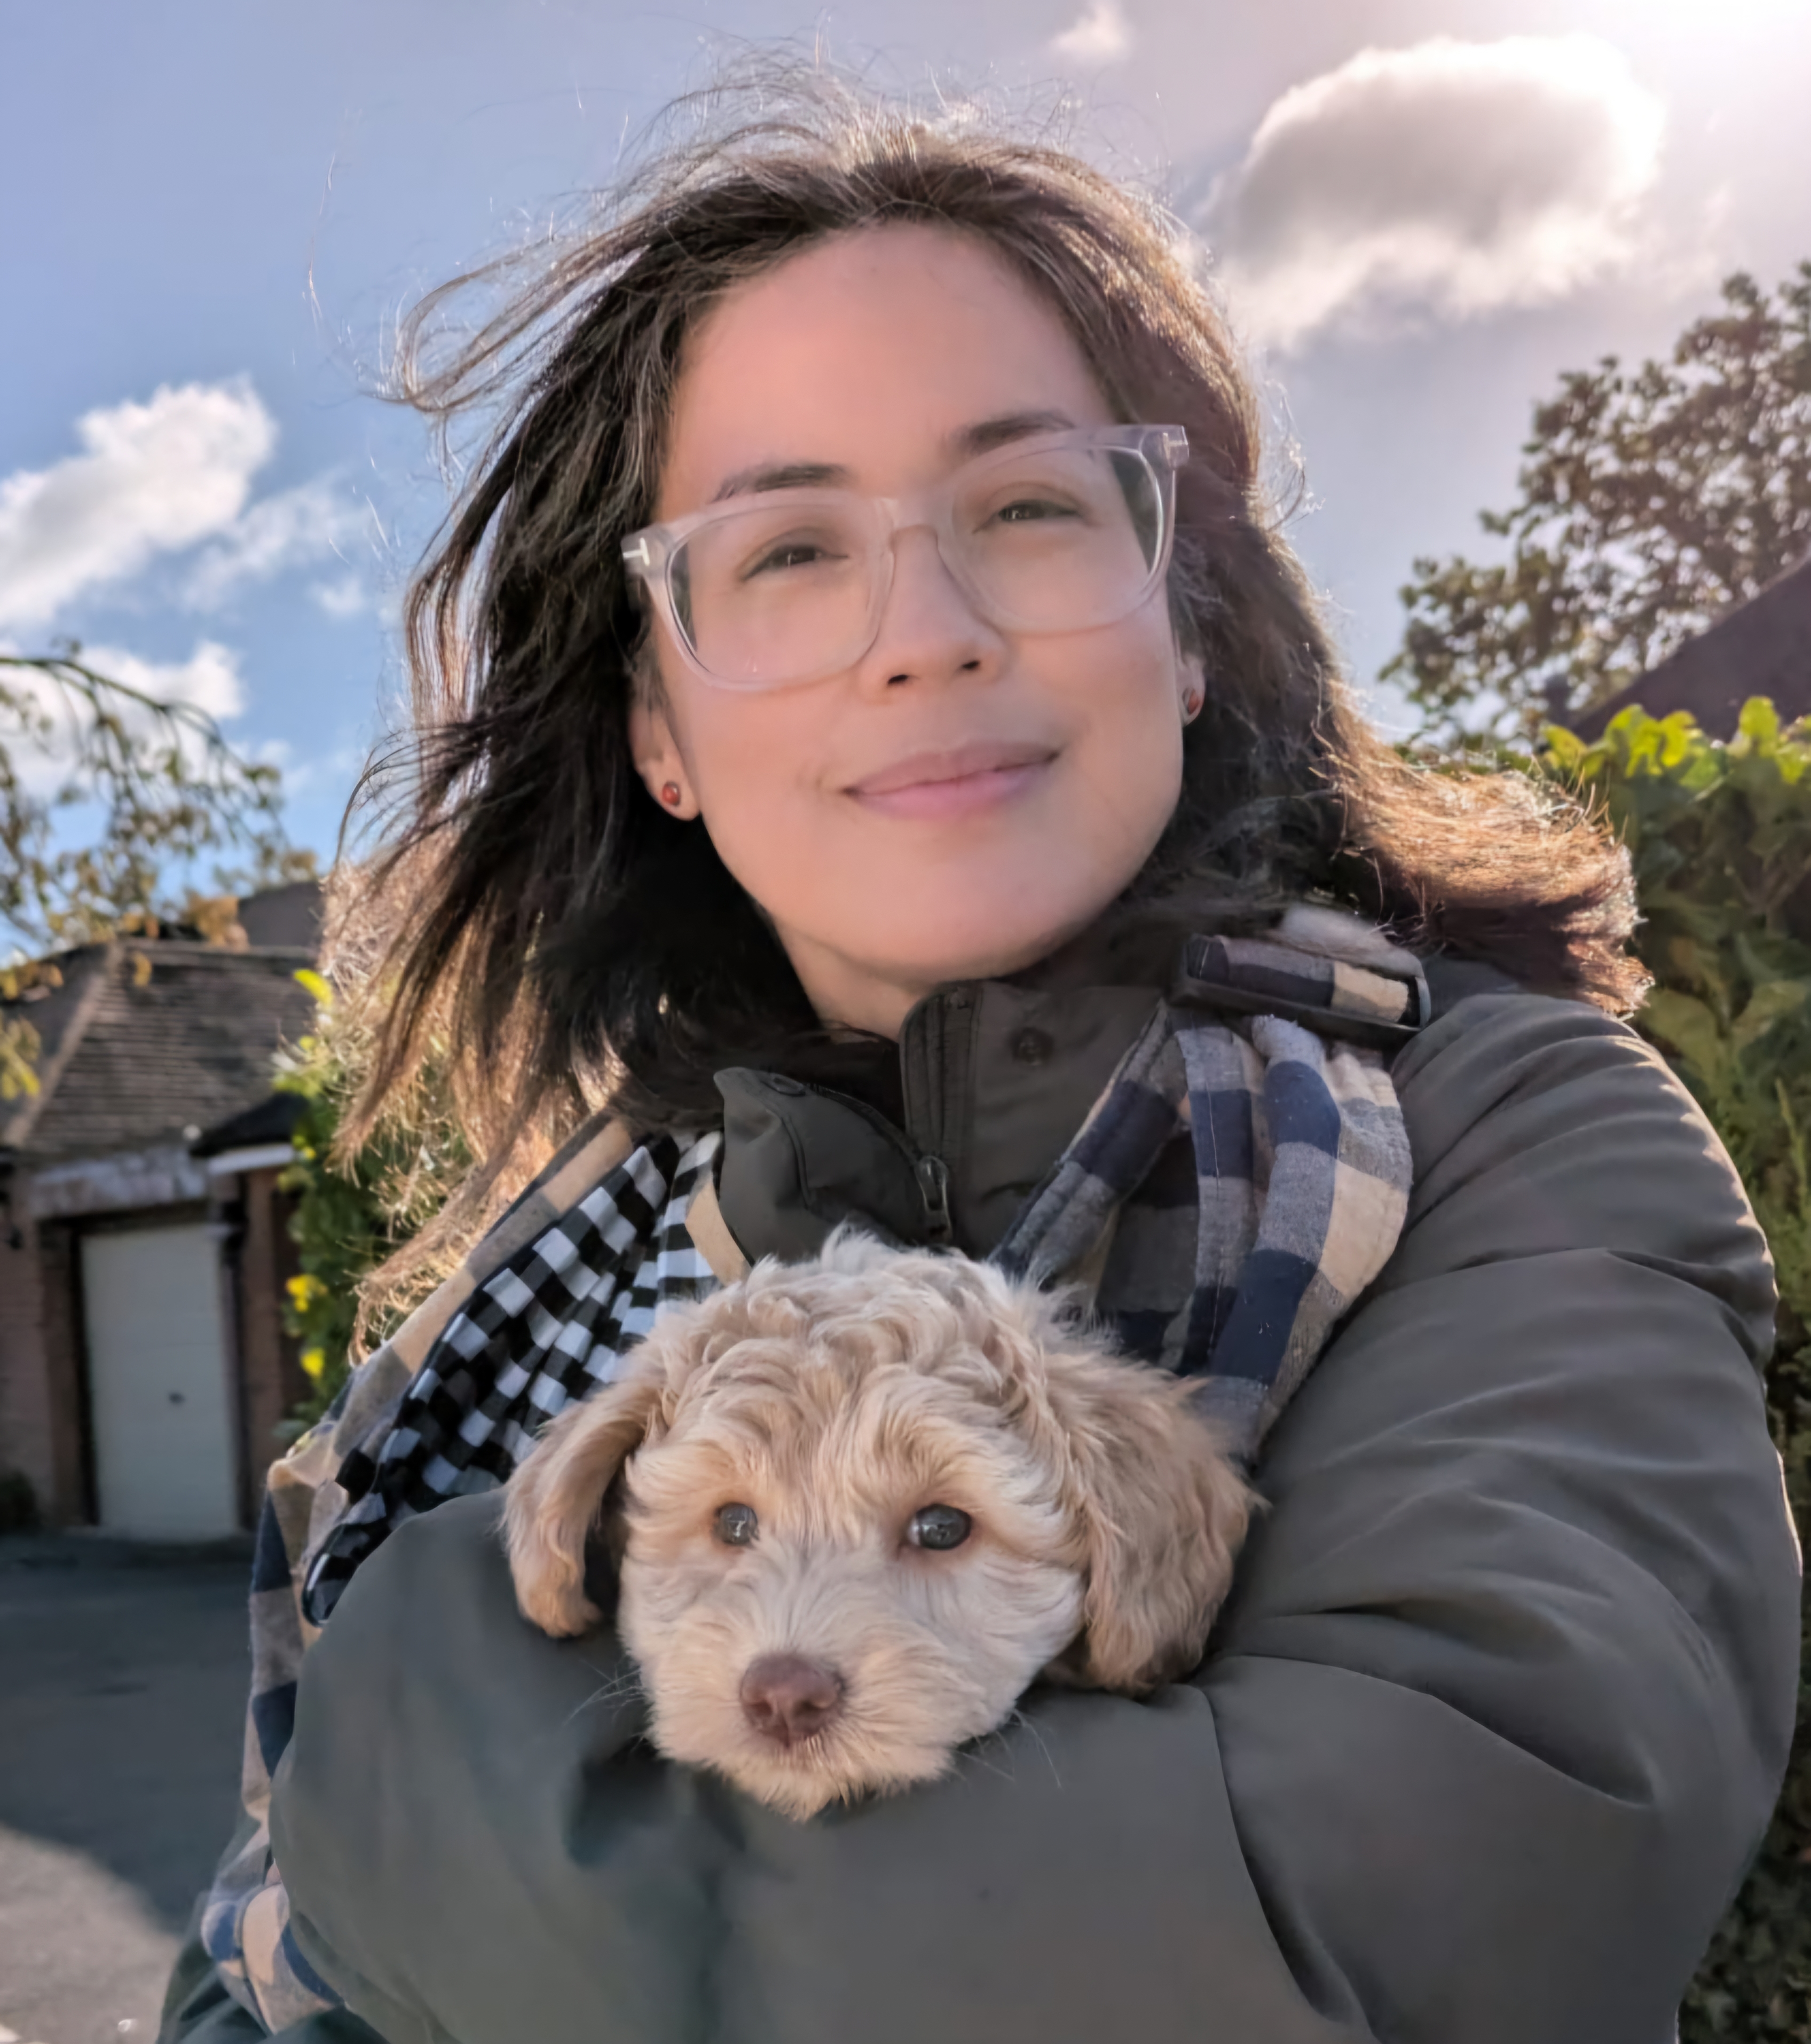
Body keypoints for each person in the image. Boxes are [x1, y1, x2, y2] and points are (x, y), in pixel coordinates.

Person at [159, 67, 1800, 2044]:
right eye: (785, 552)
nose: (921, 629)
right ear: (659, 737)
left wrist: (425, 1720)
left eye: (1023, 505)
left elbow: (1391, 1937)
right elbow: (238, 1979)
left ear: (1185, 626)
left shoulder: (1511, 1143)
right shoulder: (517, 1298)